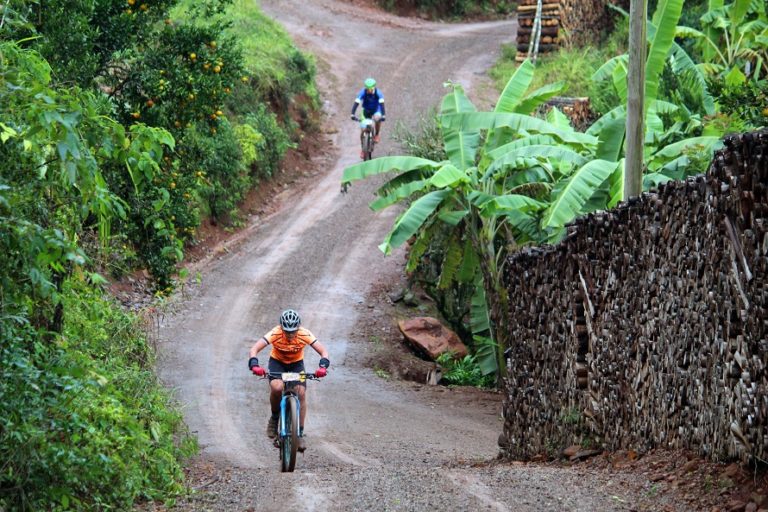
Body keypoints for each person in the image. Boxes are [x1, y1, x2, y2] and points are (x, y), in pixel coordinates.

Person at [248, 309, 330, 452]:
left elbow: (323, 351)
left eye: (293, 331)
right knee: (277, 388)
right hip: (277, 364)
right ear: (282, 328)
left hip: (297, 366)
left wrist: (322, 367)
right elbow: (254, 349)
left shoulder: (305, 334)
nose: (290, 335)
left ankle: (299, 433)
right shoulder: (275, 333)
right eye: (287, 331)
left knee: (301, 392)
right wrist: (254, 365)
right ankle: (274, 419)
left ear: (298, 328)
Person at [350, 77, 386, 155]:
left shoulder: (378, 93)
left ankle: (376, 135)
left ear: (374, 87)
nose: (369, 91)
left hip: (376, 110)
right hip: (366, 110)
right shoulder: (362, 92)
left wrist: (383, 115)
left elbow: (382, 105)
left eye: (370, 89)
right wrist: (352, 114)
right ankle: (363, 148)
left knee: (377, 118)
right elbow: (356, 103)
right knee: (363, 128)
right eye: (367, 89)